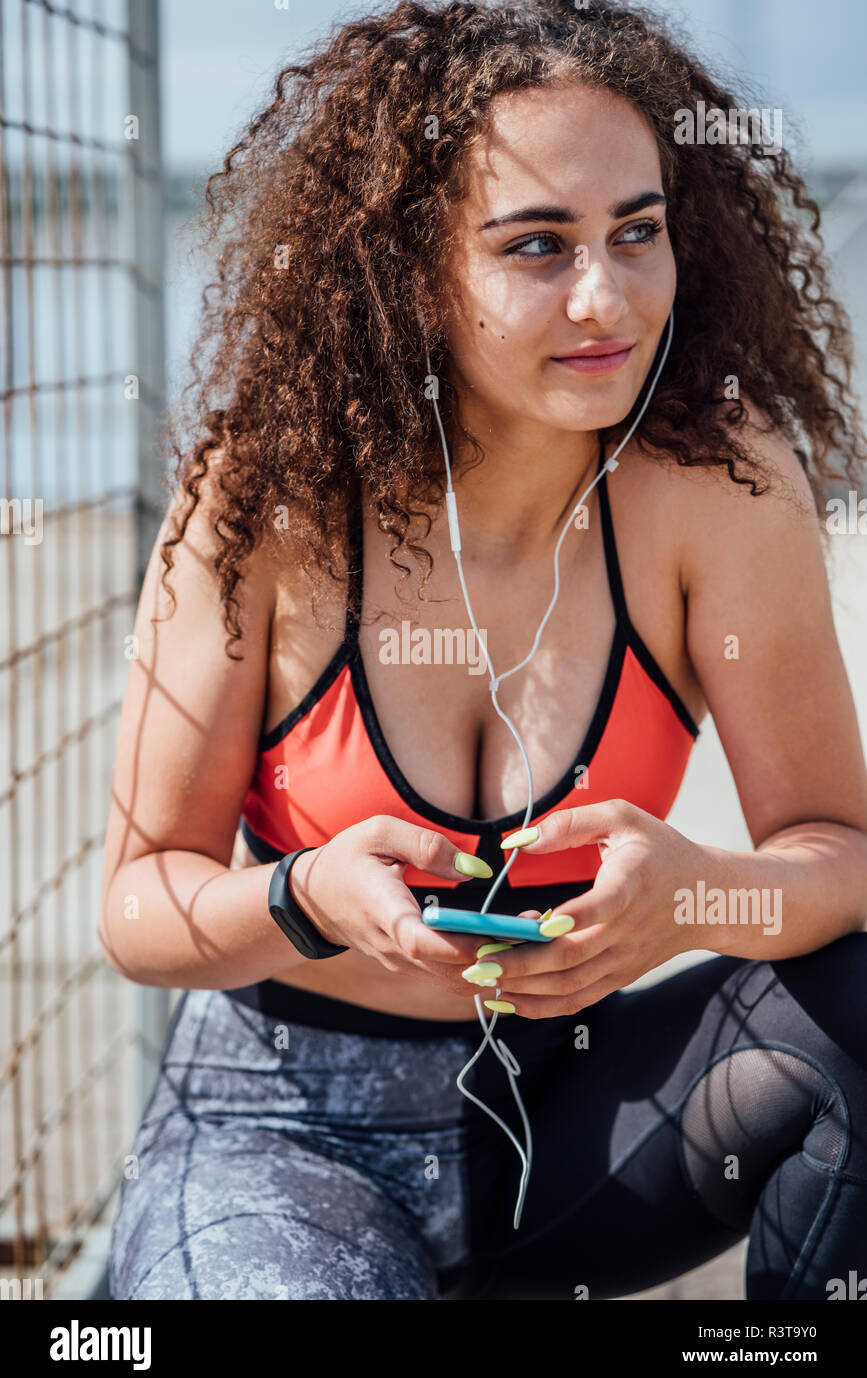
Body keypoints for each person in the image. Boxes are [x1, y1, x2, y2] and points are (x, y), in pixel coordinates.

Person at [101, 0, 867, 1300]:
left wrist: (699, 892)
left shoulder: (721, 478)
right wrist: (302, 899)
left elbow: (841, 862)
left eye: (638, 231)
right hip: (283, 1124)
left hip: (570, 1122)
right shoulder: (268, 495)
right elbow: (138, 903)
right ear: (413, 268)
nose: (604, 296)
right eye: (537, 246)